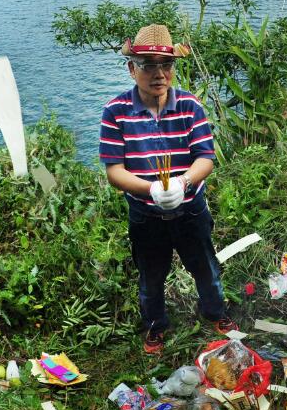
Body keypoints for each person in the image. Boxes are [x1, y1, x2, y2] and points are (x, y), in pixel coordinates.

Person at [99, 23, 237, 355]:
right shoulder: (115, 112)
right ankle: (155, 327)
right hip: (145, 214)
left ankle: (216, 313)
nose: (158, 73)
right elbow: (115, 171)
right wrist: (151, 190)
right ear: (132, 68)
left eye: (166, 65)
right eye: (148, 65)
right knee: (150, 275)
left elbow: (206, 157)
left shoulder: (191, 106)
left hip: (190, 208)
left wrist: (183, 182)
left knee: (205, 264)